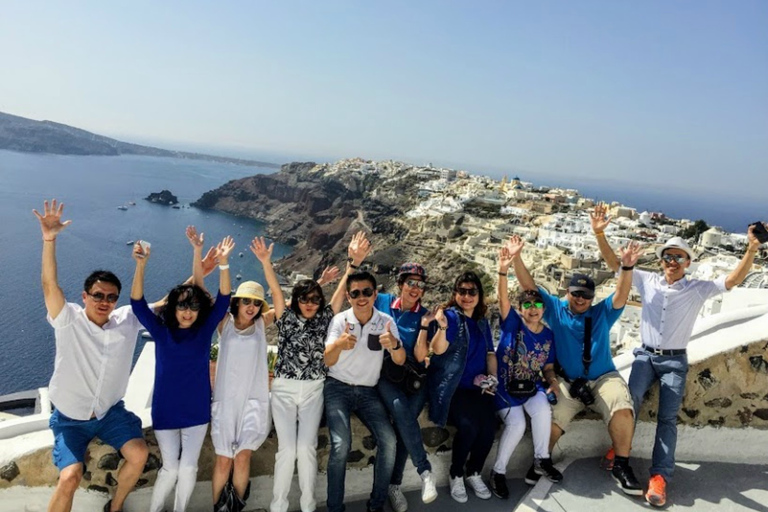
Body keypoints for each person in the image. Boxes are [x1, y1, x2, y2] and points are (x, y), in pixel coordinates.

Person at [591, 204, 764, 506]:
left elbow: (733, 281)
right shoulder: (647, 280)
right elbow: (615, 265)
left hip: (674, 360)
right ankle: (620, 452)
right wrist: (599, 234)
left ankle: (660, 477)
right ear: (662, 261)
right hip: (644, 356)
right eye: (667, 257)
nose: (672, 261)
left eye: (678, 257)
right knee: (630, 404)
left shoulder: (697, 288)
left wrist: (751, 249)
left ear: (688, 262)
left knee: (667, 420)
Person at [34, 199, 149, 512]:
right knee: (70, 477)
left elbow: (171, 303)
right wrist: (49, 239)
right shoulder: (68, 318)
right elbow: (48, 285)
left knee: (139, 454)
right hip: (70, 420)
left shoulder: (127, 319)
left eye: (111, 297)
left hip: (110, 413)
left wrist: (201, 272)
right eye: (98, 295)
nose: (105, 301)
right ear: (84, 296)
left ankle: (115, 507)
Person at [510, 234, 645, 496]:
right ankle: (541, 460)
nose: (580, 299)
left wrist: (627, 267)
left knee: (622, 409)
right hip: (568, 381)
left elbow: (621, 293)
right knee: (551, 420)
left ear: (592, 297)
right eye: (576, 294)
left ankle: (621, 465)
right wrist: (516, 258)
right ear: (568, 293)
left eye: (586, 295)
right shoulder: (556, 310)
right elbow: (530, 286)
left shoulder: (603, 312)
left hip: (604, 377)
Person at [130, 226, 233, 512]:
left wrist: (220, 263)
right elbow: (138, 305)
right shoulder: (162, 331)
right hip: (165, 410)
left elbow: (223, 299)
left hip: (197, 410)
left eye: (193, 307)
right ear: (173, 308)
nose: (188, 311)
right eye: (182, 306)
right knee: (170, 469)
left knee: (188, 469)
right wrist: (141, 266)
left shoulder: (203, 332)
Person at [268, 234, 362, 512]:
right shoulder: (285, 318)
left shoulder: (325, 318)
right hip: (283, 388)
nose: (310, 303)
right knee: (287, 450)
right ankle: (278, 507)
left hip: (313, 390)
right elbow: (274, 289)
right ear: (296, 300)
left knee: (307, 449)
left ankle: (308, 505)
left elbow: (338, 296)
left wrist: (351, 267)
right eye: (304, 299)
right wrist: (265, 262)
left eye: (314, 299)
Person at [324, 270, 405, 512]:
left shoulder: (385, 322)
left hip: (368, 392)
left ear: (375, 293)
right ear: (348, 296)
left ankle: (376, 505)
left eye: (367, 292)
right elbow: (327, 360)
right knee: (341, 445)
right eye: (356, 293)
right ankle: (334, 508)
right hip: (337, 387)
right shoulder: (339, 321)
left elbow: (400, 360)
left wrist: (394, 344)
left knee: (389, 441)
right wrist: (339, 344)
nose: (362, 297)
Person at [489, 240, 562, 500]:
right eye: (527, 305)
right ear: (521, 310)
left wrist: (551, 380)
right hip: (505, 387)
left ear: (543, 309)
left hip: (531, 386)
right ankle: (498, 472)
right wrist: (502, 271)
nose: (533, 309)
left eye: (537, 305)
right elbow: (502, 299)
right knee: (517, 424)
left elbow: (548, 366)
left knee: (543, 408)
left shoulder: (548, 335)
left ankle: (542, 459)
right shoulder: (512, 324)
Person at [210, 236, 278, 511]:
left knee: (242, 457)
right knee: (224, 459)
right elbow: (221, 296)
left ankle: (235, 507)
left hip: (253, 402)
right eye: (246, 301)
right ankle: (217, 507)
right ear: (237, 303)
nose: (251, 306)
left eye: (256, 302)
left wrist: (266, 263)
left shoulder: (262, 324)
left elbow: (281, 299)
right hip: (226, 403)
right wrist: (223, 266)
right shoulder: (223, 325)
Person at [428, 271, 498, 504]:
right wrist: (441, 327)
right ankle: (456, 473)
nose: (467, 296)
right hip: (454, 388)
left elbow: (490, 354)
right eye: (462, 291)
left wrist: (493, 378)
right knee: (468, 427)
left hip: (478, 387)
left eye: (472, 292)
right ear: (455, 294)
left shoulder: (481, 322)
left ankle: (474, 472)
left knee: (489, 427)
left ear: (479, 295)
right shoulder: (450, 317)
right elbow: (438, 350)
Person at [374, 263, 439, 511]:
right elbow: (354, 296)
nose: (415, 288)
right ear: (400, 284)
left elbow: (422, 356)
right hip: (386, 374)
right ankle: (425, 471)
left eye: (420, 285)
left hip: (415, 378)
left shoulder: (426, 316)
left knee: (404, 426)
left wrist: (423, 326)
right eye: (410, 282)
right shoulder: (382, 302)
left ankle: (394, 485)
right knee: (401, 410)